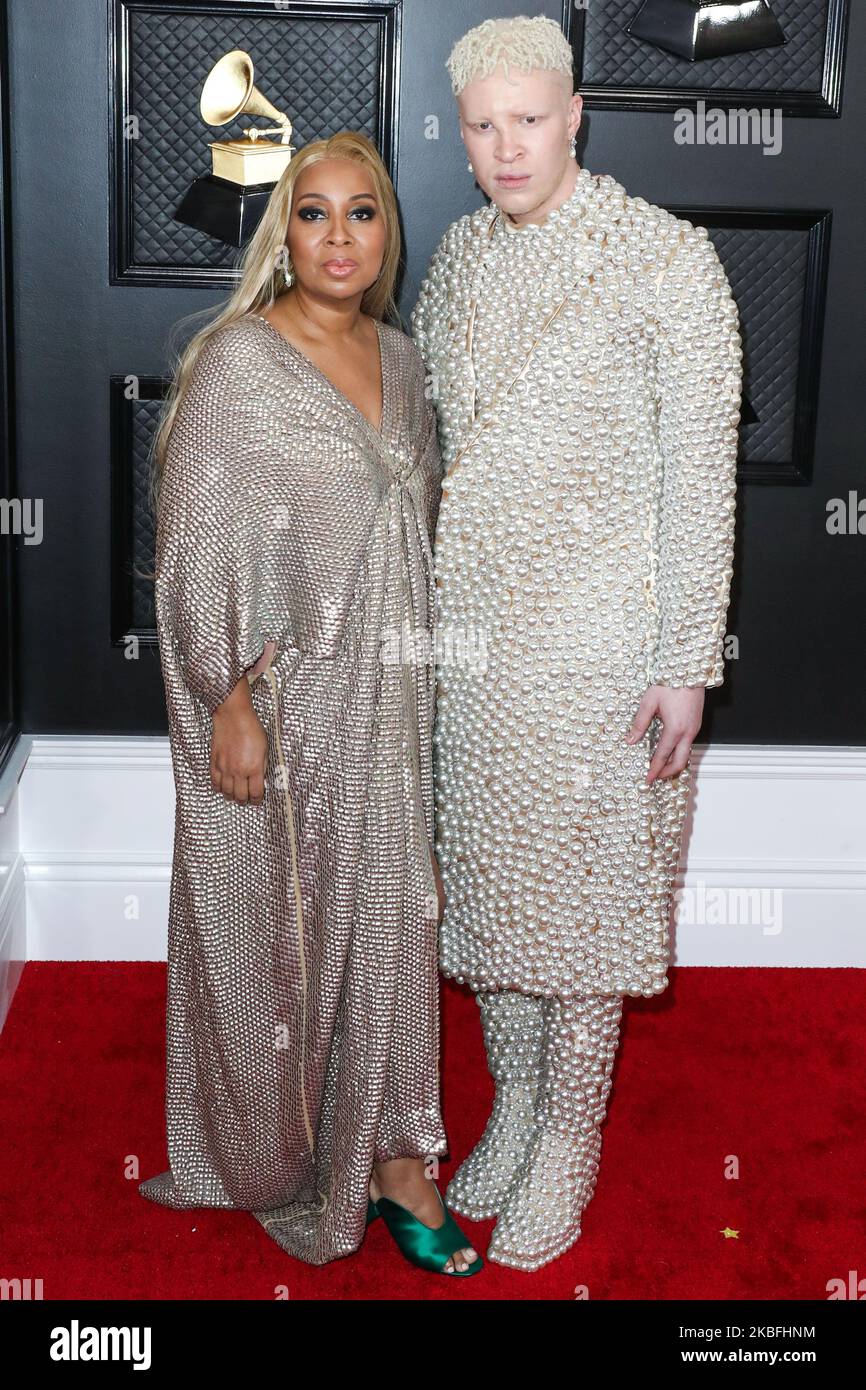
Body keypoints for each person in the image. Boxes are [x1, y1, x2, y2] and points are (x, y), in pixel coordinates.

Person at [410, 15, 742, 1270]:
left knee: (582, 909)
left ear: (576, 113)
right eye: (483, 125)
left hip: (604, 645)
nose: (505, 148)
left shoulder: (663, 260)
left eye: (528, 120)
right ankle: (512, 1102)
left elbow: (698, 477)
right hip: (471, 643)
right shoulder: (452, 258)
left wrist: (682, 660)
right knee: (488, 895)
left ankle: (569, 1136)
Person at [139, 130, 481, 1276]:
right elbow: (193, 547)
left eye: (363, 213)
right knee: (279, 928)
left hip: (394, 697)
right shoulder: (242, 361)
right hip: (286, 706)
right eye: (314, 213)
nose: (339, 237)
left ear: (387, 232)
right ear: (282, 232)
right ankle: (276, 1150)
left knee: (396, 919)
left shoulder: (405, 358)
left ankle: (393, 1160)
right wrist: (223, 695)